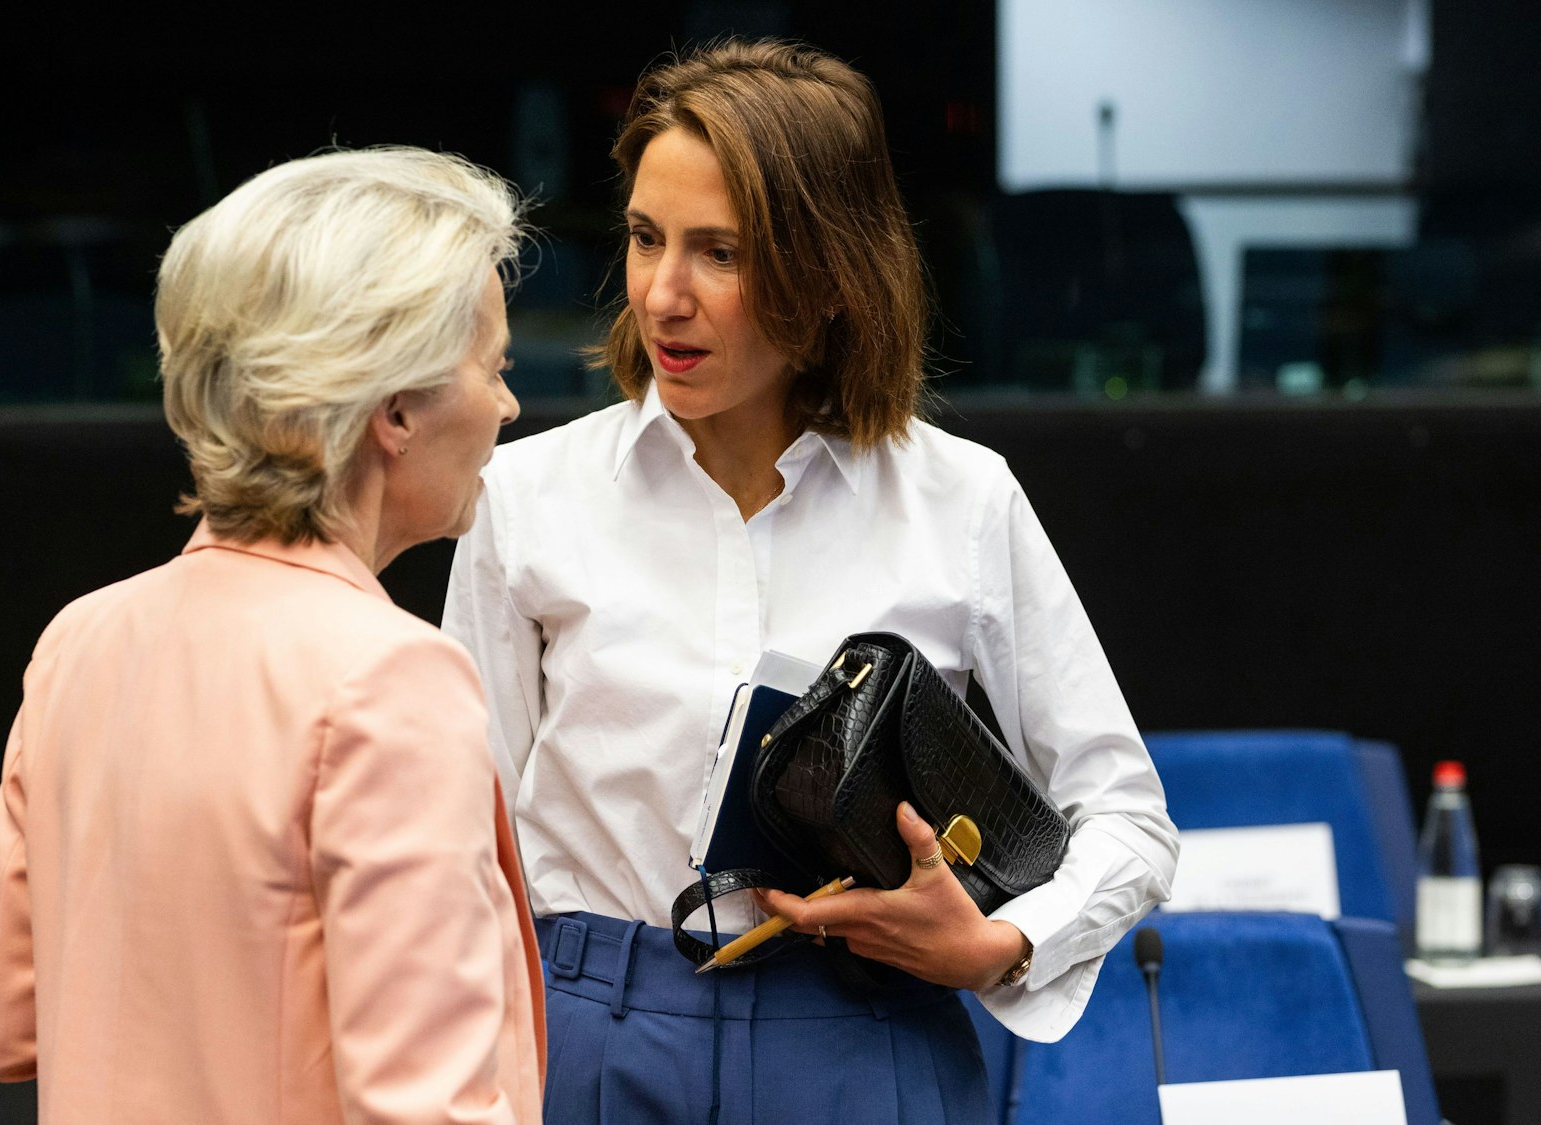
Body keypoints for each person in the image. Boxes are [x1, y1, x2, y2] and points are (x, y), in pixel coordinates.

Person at [443, 38, 1178, 1124]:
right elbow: (461, 842)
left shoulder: (959, 498)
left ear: (831, 274)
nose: (662, 294)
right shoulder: (525, 497)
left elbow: (1126, 815)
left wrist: (1002, 942)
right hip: (595, 1026)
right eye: (644, 238)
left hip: (867, 1030)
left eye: (720, 253)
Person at [0, 148, 543, 1125]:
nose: (509, 405)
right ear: (396, 408)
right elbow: (425, 1106)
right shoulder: (391, 678)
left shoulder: (80, 641)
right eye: (496, 367)